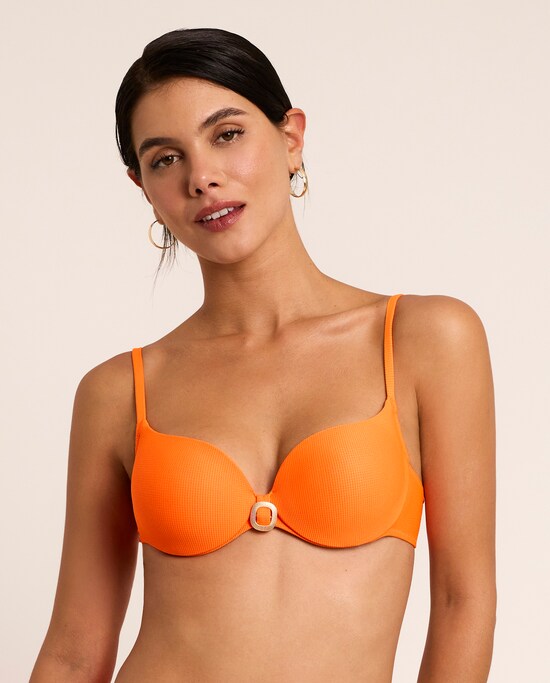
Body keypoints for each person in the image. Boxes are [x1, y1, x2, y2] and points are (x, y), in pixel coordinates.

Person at [30, 27, 496, 682]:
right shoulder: (118, 391)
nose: (201, 177)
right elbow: (74, 652)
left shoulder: (426, 339)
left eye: (226, 134)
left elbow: (462, 601)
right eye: (165, 159)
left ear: (291, 137)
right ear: (142, 187)